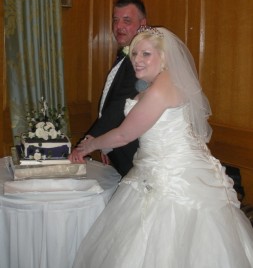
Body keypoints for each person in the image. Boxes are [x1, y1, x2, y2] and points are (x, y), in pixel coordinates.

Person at [72, 26, 253, 268]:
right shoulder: (168, 82)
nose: (137, 60)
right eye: (134, 53)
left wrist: (90, 145)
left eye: (146, 54)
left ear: (164, 57)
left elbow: (124, 135)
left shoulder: (158, 91)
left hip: (170, 176)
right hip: (167, 166)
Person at [68, 0, 147, 177]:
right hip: (117, 148)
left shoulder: (141, 63)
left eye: (127, 21)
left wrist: (87, 144)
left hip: (135, 155)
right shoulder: (126, 56)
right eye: (115, 20)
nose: (119, 27)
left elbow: (119, 106)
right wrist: (106, 146)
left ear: (142, 24)